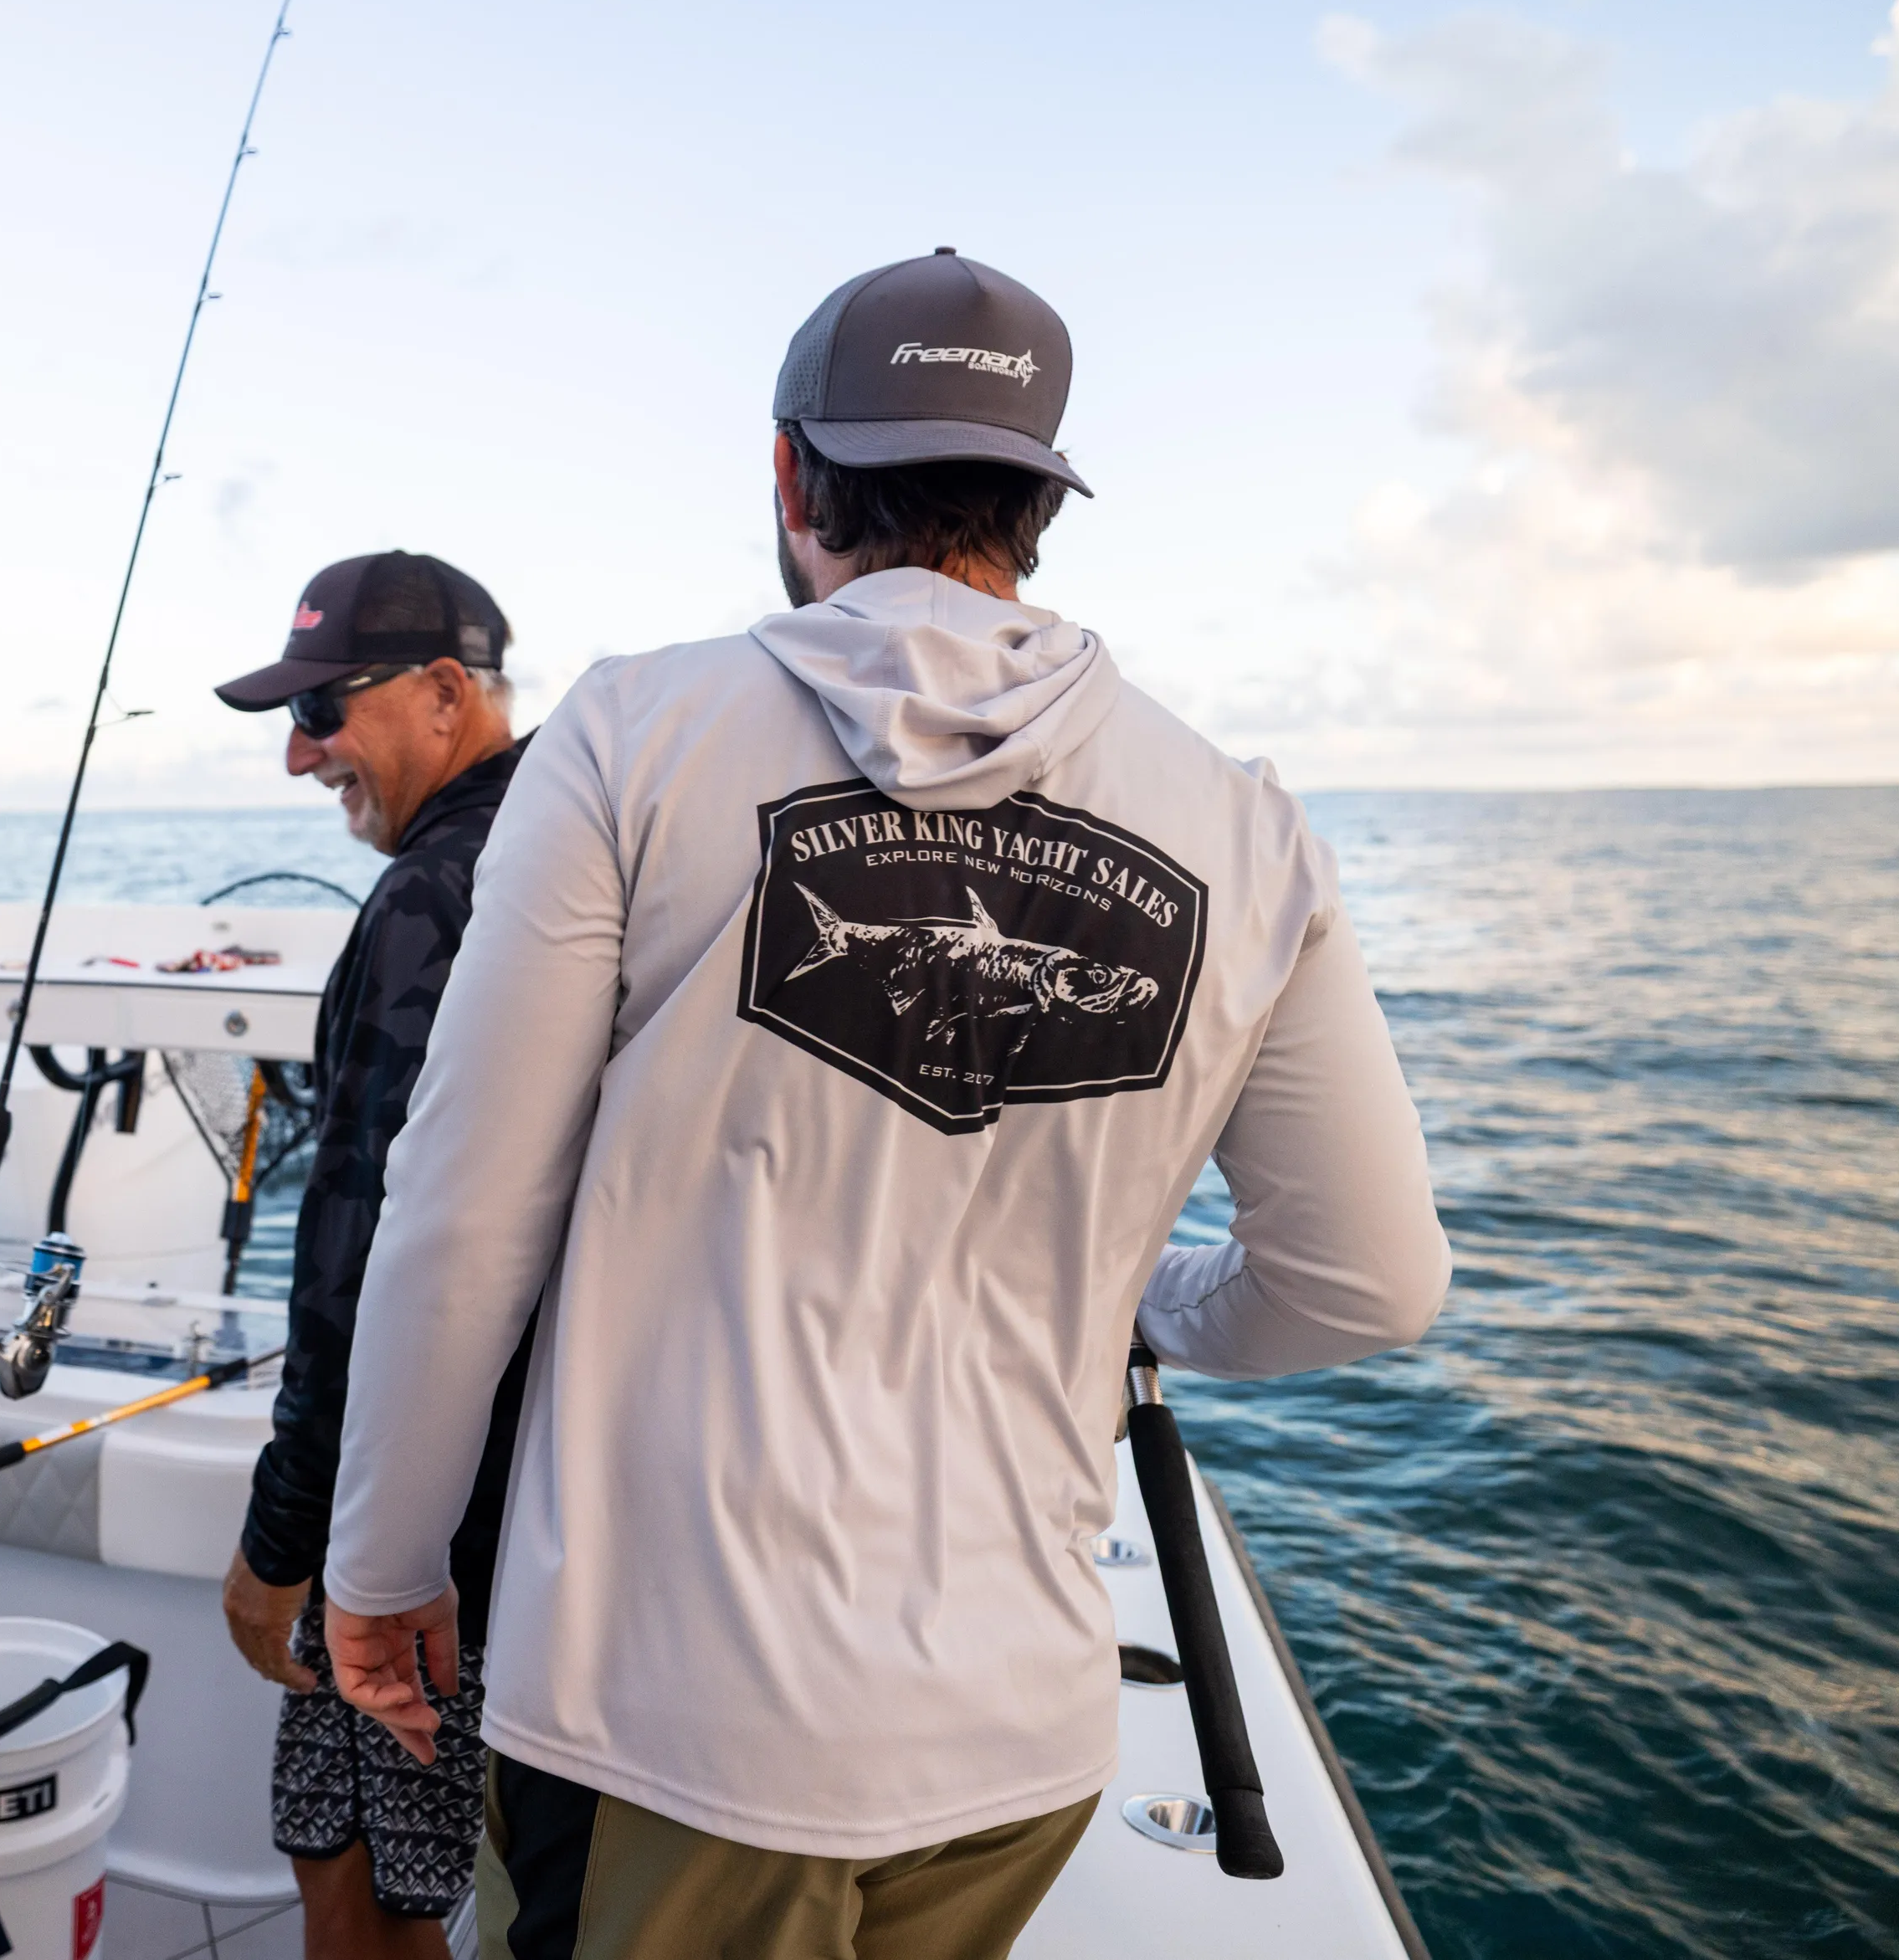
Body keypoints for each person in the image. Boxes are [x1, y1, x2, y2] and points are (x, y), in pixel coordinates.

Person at [319, 252, 1453, 1959]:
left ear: (789, 473)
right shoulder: (1248, 828)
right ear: (1036, 498)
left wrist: (383, 1556)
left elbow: (464, 1206)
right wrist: (1147, 1292)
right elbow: (1371, 1280)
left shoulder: (633, 732)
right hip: (1019, 1738)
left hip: (667, 1728)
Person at [211, 552, 532, 1958]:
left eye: (326, 710)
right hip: (529, 1515)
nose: (299, 755)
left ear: (447, 693)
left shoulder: (432, 897)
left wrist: (283, 1541)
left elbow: (367, 1253)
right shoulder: (571, 861)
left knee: (366, 1902)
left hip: (412, 1537)